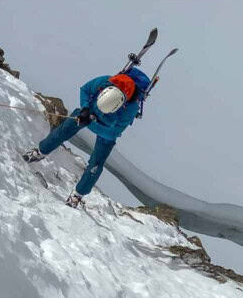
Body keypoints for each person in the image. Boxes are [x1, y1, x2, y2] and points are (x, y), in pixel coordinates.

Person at [22, 67, 150, 208]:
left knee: (95, 164)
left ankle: (78, 194)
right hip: (88, 113)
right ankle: (40, 152)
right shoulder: (104, 81)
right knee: (62, 132)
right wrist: (85, 109)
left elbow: (115, 130)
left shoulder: (131, 108)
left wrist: (93, 120)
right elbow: (85, 90)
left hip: (106, 129)